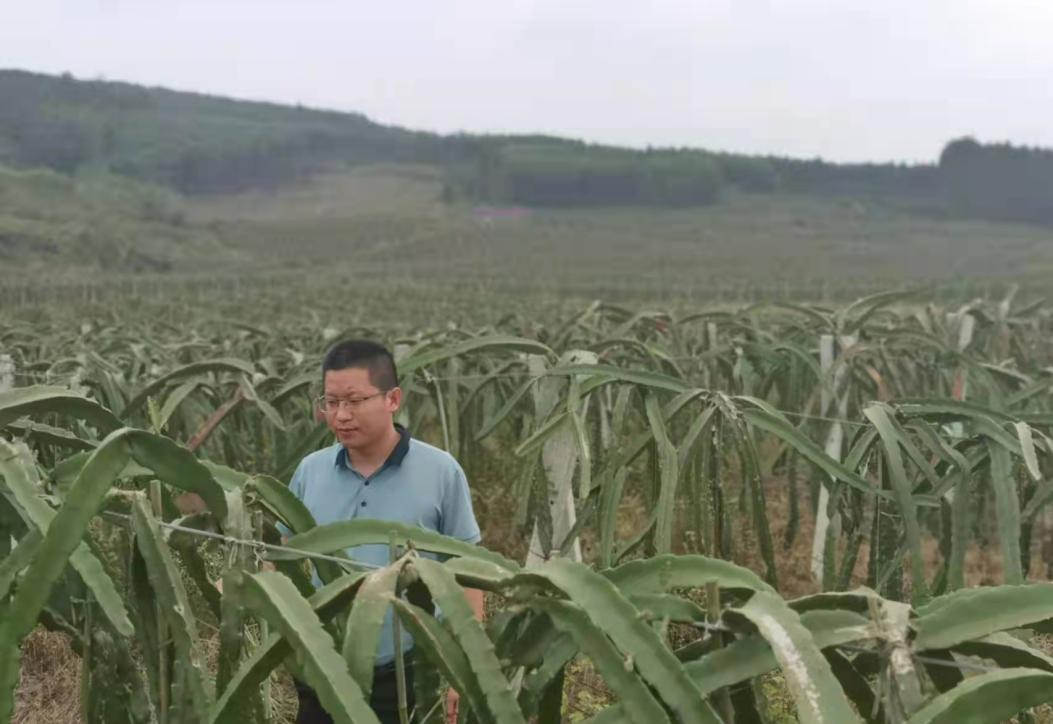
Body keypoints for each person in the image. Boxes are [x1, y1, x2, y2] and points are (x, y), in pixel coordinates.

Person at [285, 339, 484, 724]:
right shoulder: (310, 470)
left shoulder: (441, 472)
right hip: (321, 669)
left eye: (355, 401)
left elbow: (469, 573)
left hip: (409, 676)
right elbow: (287, 556)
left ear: (393, 399)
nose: (341, 415)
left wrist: (467, 667)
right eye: (331, 402)